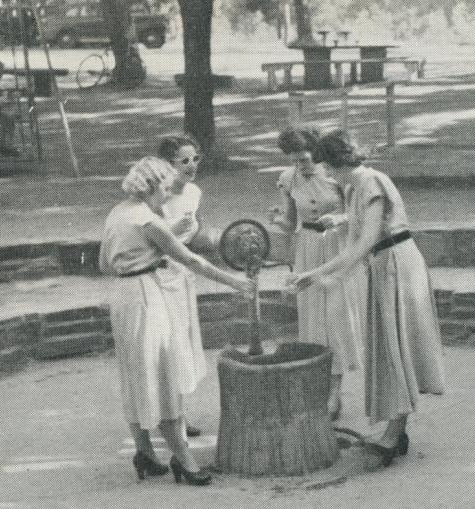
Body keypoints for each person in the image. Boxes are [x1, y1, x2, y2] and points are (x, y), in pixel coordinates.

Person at [287, 129, 446, 470]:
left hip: (396, 264)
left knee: (395, 347)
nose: (327, 174)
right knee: (388, 348)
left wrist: (322, 274)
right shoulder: (355, 186)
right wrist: (316, 271)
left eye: (328, 167)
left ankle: (394, 432)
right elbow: (359, 235)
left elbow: (364, 242)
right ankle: (394, 429)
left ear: (336, 162)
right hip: (383, 263)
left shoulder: (370, 182)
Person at [99, 157, 253, 486]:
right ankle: (184, 461)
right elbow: (192, 260)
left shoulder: (118, 212)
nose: (168, 195)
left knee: (136, 372)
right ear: (153, 186)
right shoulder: (148, 222)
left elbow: (104, 264)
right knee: (163, 374)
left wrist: (144, 256)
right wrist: (235, 281)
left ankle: (144, 452)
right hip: (145, 298)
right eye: (166, 188)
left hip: (123, 297)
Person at [272, 127, 365, 421]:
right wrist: (276, 219)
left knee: (335, 319)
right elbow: (289, 223)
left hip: (337, 249)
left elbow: (361, 215)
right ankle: (320, 389)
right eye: (296, 160)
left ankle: (334, 394)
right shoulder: (288, 179)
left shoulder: (336, 176)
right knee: (313, 321)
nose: (302, 165)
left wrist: (338, 218)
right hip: (307, 249)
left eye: (306, 158)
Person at [156, 134, 220, 438]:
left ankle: (177, 413)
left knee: (182, 343)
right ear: (168, 165)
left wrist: (212, 238)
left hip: (183, 276)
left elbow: (197, 234)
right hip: (158, 275)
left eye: (196, 159)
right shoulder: (156, 195)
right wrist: (171, 231)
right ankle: (169, 415)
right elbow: (145, 238)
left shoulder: (194, 192)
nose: (192, 165)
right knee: (168, 346)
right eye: (184, 161)